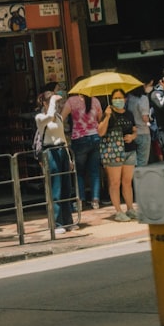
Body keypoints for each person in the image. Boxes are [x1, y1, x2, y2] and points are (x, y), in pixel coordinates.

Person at [61, 78, 103, 209]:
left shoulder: (71, 101)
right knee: (95, 171)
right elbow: (100, 119)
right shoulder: (95, 100)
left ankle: (81, 201)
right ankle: (95, 200)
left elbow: (61, 118)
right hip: (95, 137)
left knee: (79, 172)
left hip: (79, 139)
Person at [35, 89, 74, 233]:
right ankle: (57, 223)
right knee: (55, 188)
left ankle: (68, 221)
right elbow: (49, 116)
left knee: (66, 188)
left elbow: (63, 137)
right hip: (50, 152)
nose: (57, 105)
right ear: (45, 103)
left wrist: (69, 157)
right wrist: (51, 102)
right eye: (53, 102)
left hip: (61, 150)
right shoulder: (40, 117)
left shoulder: (58, 116)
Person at [98, 88, 139, 222]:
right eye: (115, 98)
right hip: (114, 152)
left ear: (125, 99)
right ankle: (118, 211)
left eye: (120, 98)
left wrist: (132, 136)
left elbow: (134, 129)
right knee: (115, 182)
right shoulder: (108, 114)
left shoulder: (129, 114)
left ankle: (130, 208)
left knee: (127, 182)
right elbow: (100, 132)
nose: (118, 100)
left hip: (129, 150)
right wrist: (107, 116)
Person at [127, 79, 154, 167]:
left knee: (132, 162)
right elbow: (145, 118)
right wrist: (150, 119)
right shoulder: (143, 98)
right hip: (143, 132)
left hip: (132, 133)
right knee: (142, 162)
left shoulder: (128, 98)